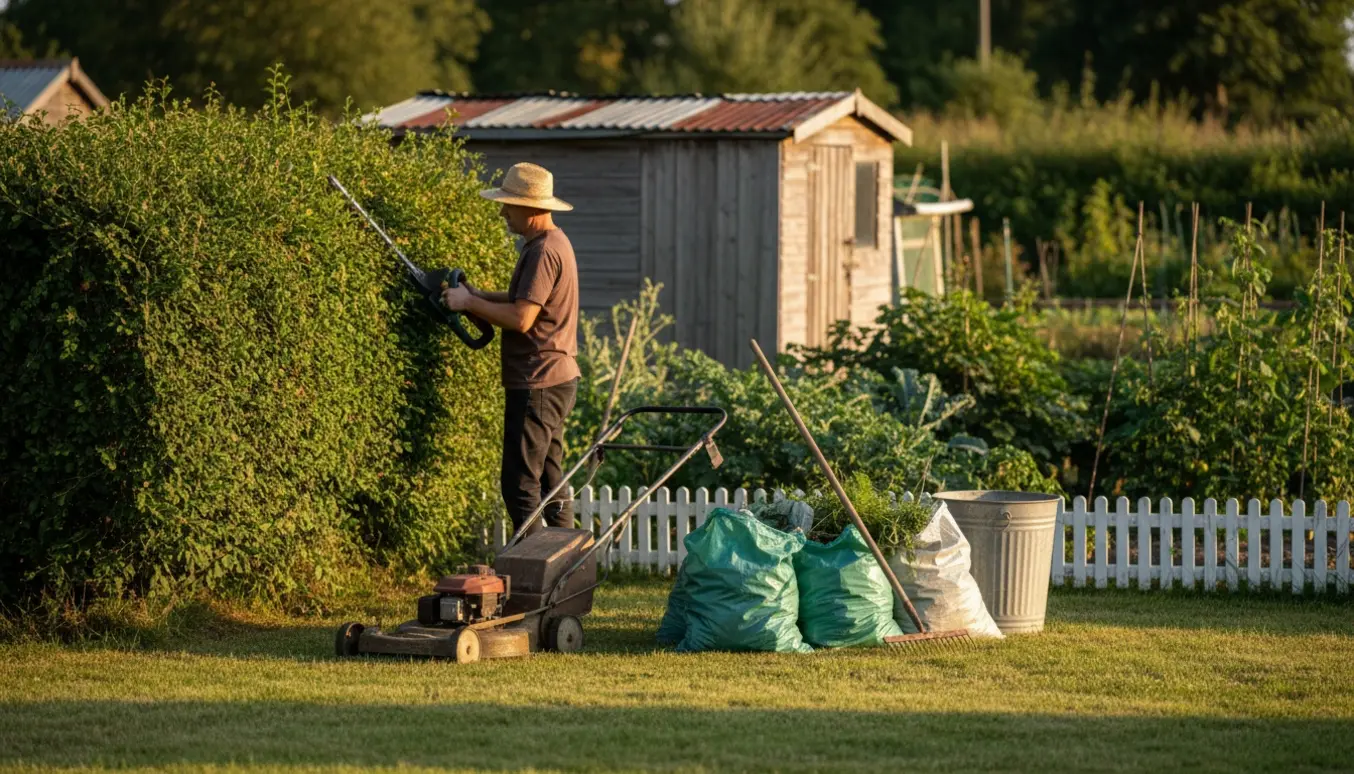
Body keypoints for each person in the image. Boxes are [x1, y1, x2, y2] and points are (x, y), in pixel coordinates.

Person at [441, 162, 580, 535]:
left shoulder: (542, 251)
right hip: (557, 378)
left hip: (537, 381)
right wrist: (477, 295)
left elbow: (522, 318)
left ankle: (535, 572)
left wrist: (466, 304)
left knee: (519, 483)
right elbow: (527, 300)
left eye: (508, 204)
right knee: (551, 480)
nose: (503, 211)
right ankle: (569, 565)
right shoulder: (552, 243)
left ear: (530, 207)